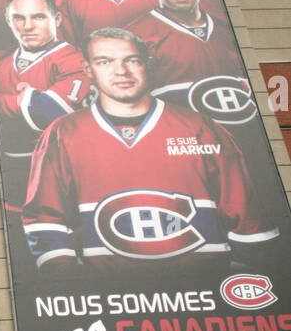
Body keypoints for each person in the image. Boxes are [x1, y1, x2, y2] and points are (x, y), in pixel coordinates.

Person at [21, 29, 279, 269]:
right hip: (108, 292)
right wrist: (71, 282)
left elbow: (249, 224)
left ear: (148, 65)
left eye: (132, 60)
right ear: (87, 69)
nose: (121, 71)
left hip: (204, 286)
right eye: (104, 62)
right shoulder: (63, 133)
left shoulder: (201, 128)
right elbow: (45, 220)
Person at [0, 0, 91, 207]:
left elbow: (48, 111)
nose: (27, 26)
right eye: (18, 18)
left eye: (38, 17)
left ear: (57, 19)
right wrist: (21, 100)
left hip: (61, 172)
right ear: (8, 21)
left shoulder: (78, 61)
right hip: (5, 172)